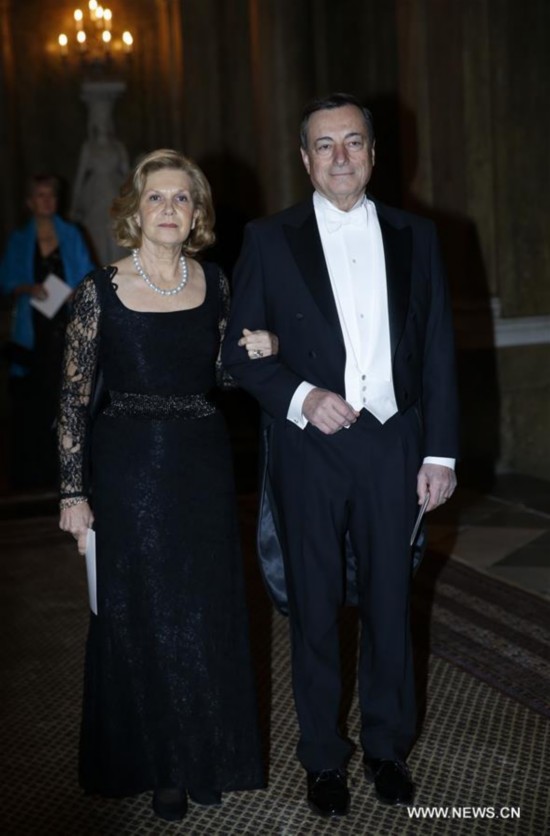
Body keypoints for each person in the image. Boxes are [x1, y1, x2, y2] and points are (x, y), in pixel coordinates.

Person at [222, 93, 459, 817]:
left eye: (353, 142)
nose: (340, 158)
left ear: (374, 153)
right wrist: (300, 396)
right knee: (315, 610)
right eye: (324, 146)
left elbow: (441, 351)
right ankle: (322, 758)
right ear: (304, 159)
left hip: (395, 446)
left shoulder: (418, 235)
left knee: (392, 603)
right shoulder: (268, 238)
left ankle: (388, 749)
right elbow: (238, 350)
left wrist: (441, 454)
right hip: (310, 452)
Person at [58, 149, 275, 821]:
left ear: (198, 212)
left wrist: (262, 350)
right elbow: (70, 400)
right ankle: (160, 766)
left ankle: (204, 752)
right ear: (135, 209)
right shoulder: (99, 290)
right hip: (128, 471)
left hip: (202, 464)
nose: (171, 209)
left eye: (183, 198)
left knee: (205, 612)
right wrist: (72, 494)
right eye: (157, 197)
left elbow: (223, 372)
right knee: (144, 616)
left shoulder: (213, 281)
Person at [0, 174, 94, 490]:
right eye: (40, 195)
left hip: (63, 326)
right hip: (32, 328)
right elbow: (7, 281)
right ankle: (32, 476)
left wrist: (72, 292)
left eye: (51, 195)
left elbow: (87, 276)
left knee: (65, 397)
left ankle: (66, 474)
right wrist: (29, 288)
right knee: (31, 403)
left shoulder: (72, 234)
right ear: (29, 202)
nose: (47, 201)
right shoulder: (19, 238)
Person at [71, 99, 129, 264]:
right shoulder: (88, 147)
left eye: (105, 118)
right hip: (94, 195)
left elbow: (128, 177)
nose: (102, 122)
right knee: (97, 238)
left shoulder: (118, 147)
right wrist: (75, 206)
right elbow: (80, 177)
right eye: (99, 118)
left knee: (117, 236)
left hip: (115, 191)